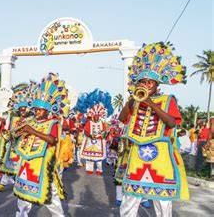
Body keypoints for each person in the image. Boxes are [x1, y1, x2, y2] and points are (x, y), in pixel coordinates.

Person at [118, 42, 189, 217]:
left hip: (160, 155)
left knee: (163, 201)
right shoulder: (134, 100)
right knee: (130, 198)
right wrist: (130, 102)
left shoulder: (167, 100)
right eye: (143, 82)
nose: (147, 85)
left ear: (157, 85)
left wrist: (151, 104)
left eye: (151, 82)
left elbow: (172, 123)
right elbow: (122, 119)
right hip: (136, 154)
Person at [13, 73, 68, 217]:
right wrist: (18, 133)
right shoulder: (30, 121)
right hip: (27, 163)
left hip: (43, 165)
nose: (37, 112)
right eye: (36, 109)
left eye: (40, 110)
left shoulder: (53, 123)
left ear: (48, 110)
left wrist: (32, 131)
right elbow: (18, 139)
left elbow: (52, 140)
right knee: (23, 195)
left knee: (50, 195)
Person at [0, 88, 33, 192]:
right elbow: (10, 130)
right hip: (13, 145)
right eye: (21, 110)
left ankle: (18, 184)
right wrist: (11, 136)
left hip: (24, 145)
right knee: (9, 165)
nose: (23, 112)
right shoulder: (14, 119)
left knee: (21, 167)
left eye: (25, 109)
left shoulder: (31, 120)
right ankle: (2, 183)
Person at [76, 89, 114, 176]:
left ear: (99, 117)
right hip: (90, 141)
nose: (96, 118)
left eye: (98, 117)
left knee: (99, 158)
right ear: (93, 116)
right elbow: (86, 131)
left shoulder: (102, 123)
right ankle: (89, 169)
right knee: (89, 157)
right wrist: (90, 136)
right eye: (95, 117)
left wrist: (103, 135)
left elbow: (104, 132)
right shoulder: (89, 123)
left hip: (99, 142)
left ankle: (99, 170)